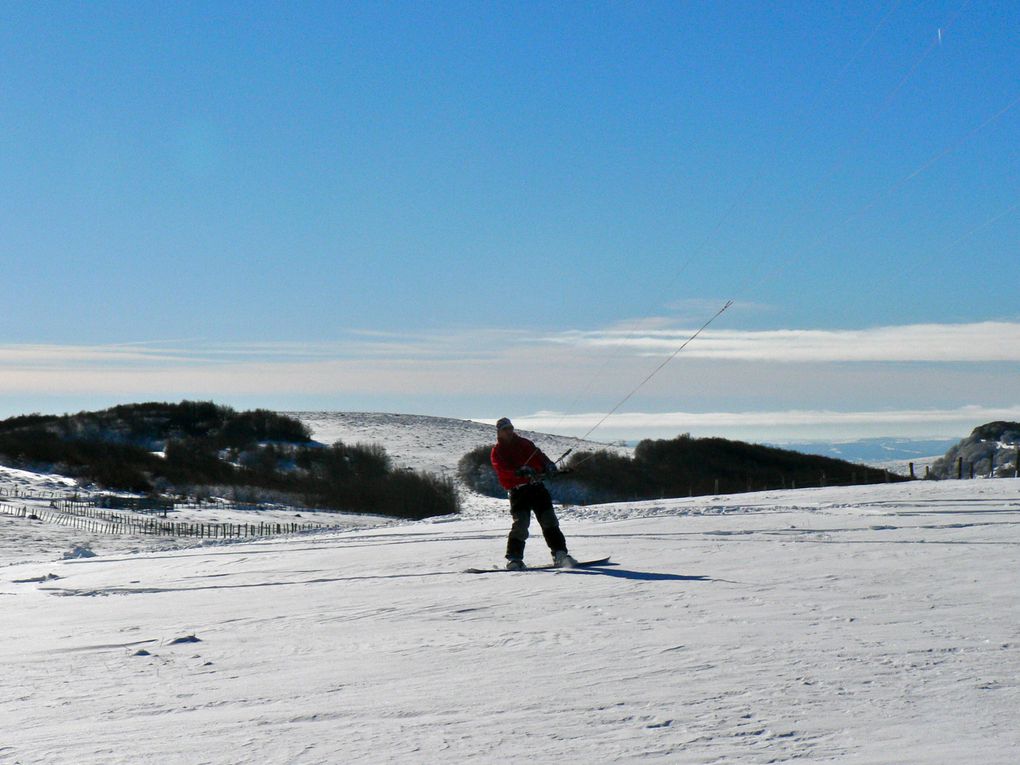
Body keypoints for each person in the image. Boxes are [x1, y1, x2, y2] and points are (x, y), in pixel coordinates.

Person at [490, 417, 577, 570]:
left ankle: (560, 554)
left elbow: (540, 456)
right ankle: (514, 559)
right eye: (505, 430)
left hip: (537, 488)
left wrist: (548, 465)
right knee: (521, 524)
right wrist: (518, 472)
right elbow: (502, 469)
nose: (509, 432)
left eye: (510, 428)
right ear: (499, 432)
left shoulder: (525, 443)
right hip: (518, 492)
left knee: (549, 520)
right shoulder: (497, 452)